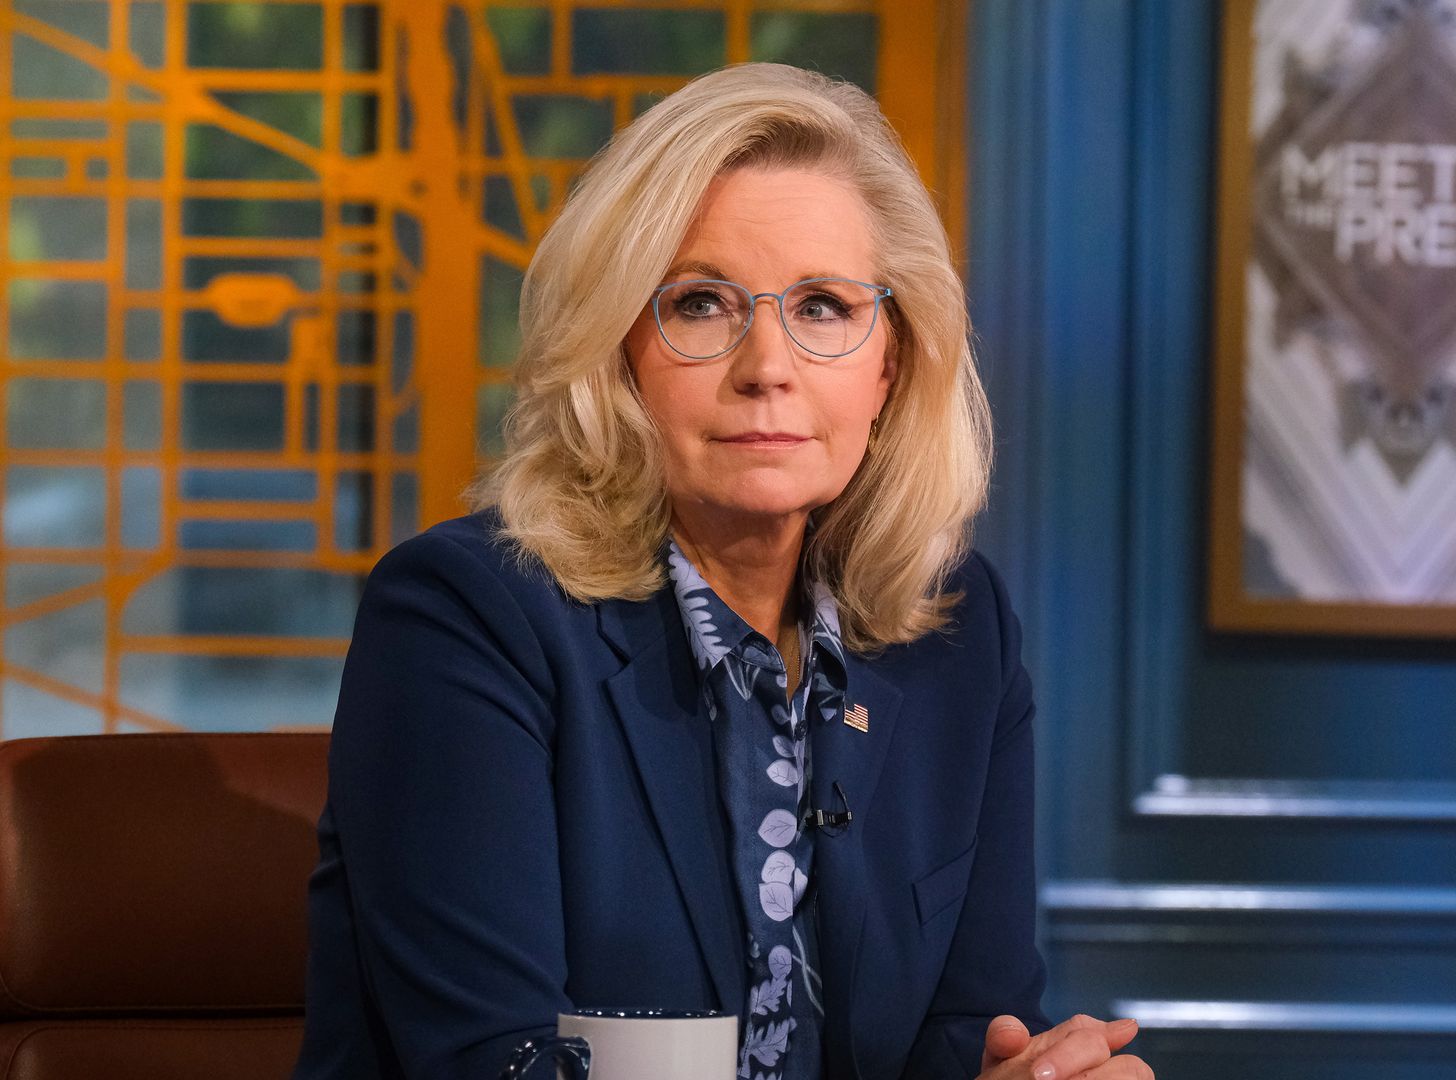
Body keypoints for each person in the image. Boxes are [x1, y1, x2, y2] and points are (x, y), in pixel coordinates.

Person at [291, 63, 1152, 1080]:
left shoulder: (957, 634)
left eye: (825, 307)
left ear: (893, 364)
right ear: (616, 352)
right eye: (701, 304)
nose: (768, 365)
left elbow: (967, 1032)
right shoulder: (466, 617)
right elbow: (495, 1063)